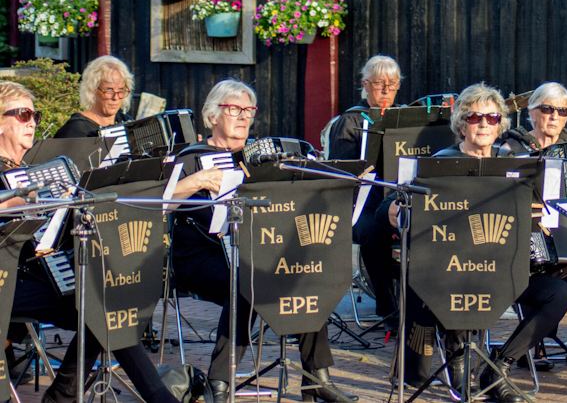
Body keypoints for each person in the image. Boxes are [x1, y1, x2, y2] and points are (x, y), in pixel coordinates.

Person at [379, 83, 567, 403]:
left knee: (559, 292)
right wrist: (397, 208)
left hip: (503, 270)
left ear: (501, 126)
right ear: (461, 123)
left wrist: (543, 214)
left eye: (492, 117)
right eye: (474, 117)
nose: (484, 123)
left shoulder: (515, 163)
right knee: (463, 279)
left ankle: (498, 366)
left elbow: (544, 213)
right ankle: (459, 359)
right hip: (453, 271)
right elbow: (383, 210)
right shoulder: (440, 162)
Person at [170, 80, 357, 403]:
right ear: (212, 116)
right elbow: (161, 202)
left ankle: (317, 378)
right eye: (234, 109)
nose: (243, 117)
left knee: (304, 274)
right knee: (248, 281)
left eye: (248, 111)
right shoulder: (192, 157)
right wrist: (197, 180)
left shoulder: (258, 157)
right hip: (200, 255)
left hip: (257, 250)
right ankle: (220, 381)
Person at [0, 81, 182, 403]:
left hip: (39, 276)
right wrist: (18, 202)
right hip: (7, 281)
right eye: (23, 114)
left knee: (107, 306)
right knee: (100, 308)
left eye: (35, 116)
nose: (32, 123)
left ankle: (65, 396)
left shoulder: (31, 169)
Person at [501, 82, 567, 369]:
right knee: (534, 258)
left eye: (562, 111)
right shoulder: (512, 148)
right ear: (532, 112)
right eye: (547, 109)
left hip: (562, 237)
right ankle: (535, 341)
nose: (555, 116)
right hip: (522, 237)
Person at [322, 55, 403, 324]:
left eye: (392, 84)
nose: (385, 90)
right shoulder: (350, 121)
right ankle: (388, 306)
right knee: (374, 230)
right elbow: (339, 175)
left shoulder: (404, 118)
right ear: (365, 85)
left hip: (399, 201)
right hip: (361, 205)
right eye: (379, 83)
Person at [53, 55, 134, 137]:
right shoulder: (76, 130)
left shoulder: (126, 122)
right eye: (109, 90)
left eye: (120, 90)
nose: (115, 97)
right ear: (92, 90)